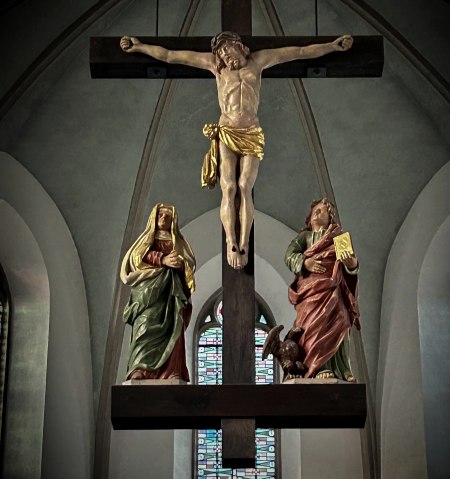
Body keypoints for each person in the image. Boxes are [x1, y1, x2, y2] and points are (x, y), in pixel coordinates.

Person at [120, 32, 353, 269]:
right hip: (227, 130)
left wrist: (332, 47)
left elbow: (299, 52)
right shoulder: (216, 67)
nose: (223, 56)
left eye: (226, 49)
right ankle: (231, 241)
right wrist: (140, 47)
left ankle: (244, 243)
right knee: (229, 187)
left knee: (245, 186)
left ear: (240, 47)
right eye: (219, 52)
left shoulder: (259, 60)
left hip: (251, 131)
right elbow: (171, 56)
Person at [285, 198, 360, 381]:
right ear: (309, 219)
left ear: (330, 218)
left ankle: (341, 368)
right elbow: (289, 255)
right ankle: (317, 367)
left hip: (333, 288)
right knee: (312, 324)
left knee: (340, 320)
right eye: (315, 211)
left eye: (322, 211)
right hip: (310, 291)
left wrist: (352, 264)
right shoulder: (304, 238)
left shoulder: (339, 238)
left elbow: (350, 268)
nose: (318, 213)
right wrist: (305, 261)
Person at [120, 203, 196, 381]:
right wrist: (162, 259)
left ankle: (171, 370)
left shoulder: (178, 241)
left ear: (173, 221)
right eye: (160, 216)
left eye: (168, 217)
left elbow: (188, 262)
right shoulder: (147, 239)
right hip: (149, 291)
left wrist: (179, 263)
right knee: (144, 326)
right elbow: (137, 258)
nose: (163, 219)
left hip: (171, 292)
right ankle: (140, 368)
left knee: (173, 326)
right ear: (154, 218)